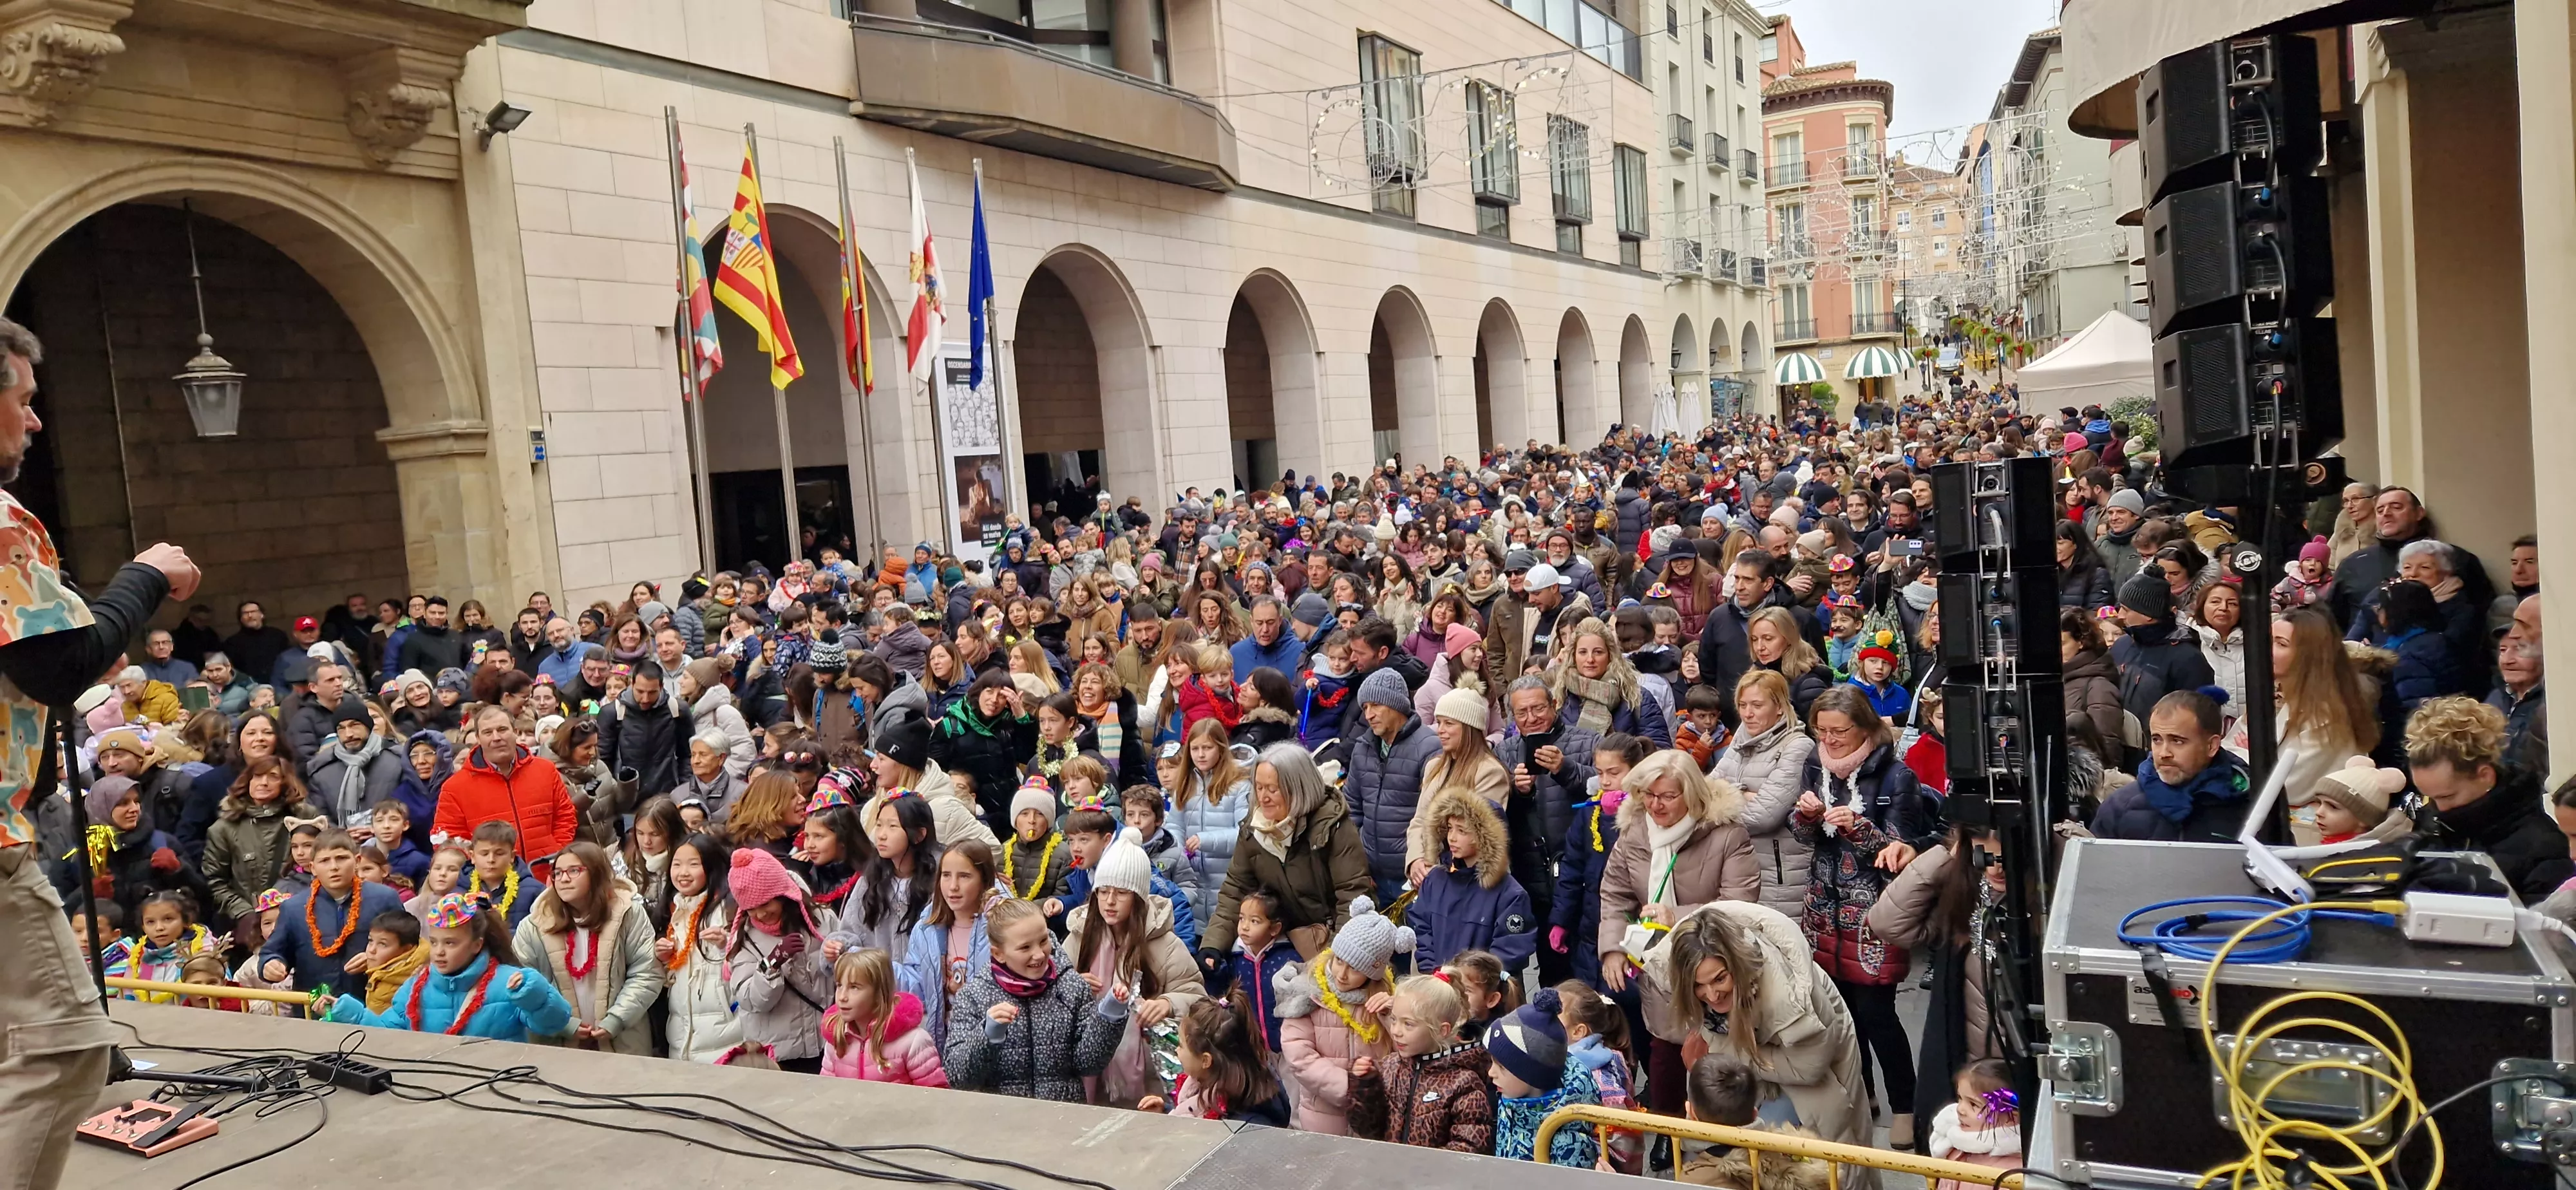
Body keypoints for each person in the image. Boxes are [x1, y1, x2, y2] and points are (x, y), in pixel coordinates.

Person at [1789, 686, 1935, 1148]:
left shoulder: (1897, 775)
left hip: (1873, 912)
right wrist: (1807, 817)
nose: (1829, 740)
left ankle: (1905, 1106)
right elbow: (1803, 837)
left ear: (1866, 728)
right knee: (1842, 1015)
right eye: (1822, 731)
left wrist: (1859, 827)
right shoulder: (1814, 764)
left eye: (1839, 731)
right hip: (1823, 906)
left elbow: (1898, 851)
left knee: (1878, 1015)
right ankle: (1863, 1093)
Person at [1596, 749, 1759, 1111]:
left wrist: (1677, 917)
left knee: (1721, 1063)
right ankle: (1667, 1130)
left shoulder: (1726, 834)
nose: (1656, 805)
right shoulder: (1635, 831)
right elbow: (1615, 893)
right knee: (1666, 1057)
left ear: (1692, 794)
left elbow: (1741, 903)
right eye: (1649, 795)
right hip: (1661, 967)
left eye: (1668, 796)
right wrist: (1613, 946)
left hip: (1716, 967)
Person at [1644, 901, 1871, 1147]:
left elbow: (1810, 1067)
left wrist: (1728, 1054)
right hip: (1763, 1066)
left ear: (1738, 966)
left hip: (1815, 1068)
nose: (1711, 995)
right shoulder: (1684, 975)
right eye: (1698, 985)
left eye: (1720, 979)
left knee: (1834, 1144)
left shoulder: (1790, 998)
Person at [1196, 744, 1373, 968]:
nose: (1263, 797)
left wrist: (1337, 960)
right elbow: (1235, 890)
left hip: (1332, 940)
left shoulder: (1332, 826)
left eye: (1273, 789)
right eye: (1259, 787)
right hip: (1284, 941)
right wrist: (1213, 945)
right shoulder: (1254, 830)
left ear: (1299, 788)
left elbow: (1352, 896)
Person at [940, 897, 1128, 1100]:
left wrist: (1109, 1017)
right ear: (999, 954)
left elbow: (1089, 1064)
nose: (1039, 955)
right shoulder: (974, 996)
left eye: (1043, 941)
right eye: (1025, 948)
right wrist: (988, 1036)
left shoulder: (1071, 986)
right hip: (1001, 1117)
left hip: (1061, 1114)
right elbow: (958, 1078)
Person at [325, 890, 575, 1039]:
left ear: (477, 945)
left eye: (451, 943)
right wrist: (351, 1013)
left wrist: (533, 992)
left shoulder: (510, 983)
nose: (439, 952)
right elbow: (388, 1036)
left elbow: (554, 1024)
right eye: (434, 942)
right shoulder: (415, 987)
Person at [2405, 697, 2571, 901]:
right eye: (2429, 798)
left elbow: (2544, 920)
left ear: (2485, 775)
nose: (2439, 808)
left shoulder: (2544, 847)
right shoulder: (2433, 825)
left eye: (2448, 796)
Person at [512, 840, 662, 1055]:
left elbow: (646, 973)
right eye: (557, 873)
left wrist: (617, 1019)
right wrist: (562, 1023)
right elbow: (523, 987)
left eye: (574, 871)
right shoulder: (533, 925)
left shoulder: (629, 914)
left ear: (597, 873)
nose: (564, 879)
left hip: (622, 1041)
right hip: (557, 1046)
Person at [1272, 896, 1407, 1133]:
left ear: (1373, 973)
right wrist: (1351, 1088)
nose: (1342, 974)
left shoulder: (1384, 1001)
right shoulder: (1309, 991)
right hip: (1323, 1115)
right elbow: (1300, 1056)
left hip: (1372, 1117)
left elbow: (1402, 1053)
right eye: (1339, 961)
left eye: (1355, 968)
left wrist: (1392, 1016)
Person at [1346, 973, 1494, 1153]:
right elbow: (1368, 1130)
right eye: (1394, 1020)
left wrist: (1421, 1165)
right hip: (1390, 1167)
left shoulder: (1464, 1082)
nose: (1396, 1031)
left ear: (1442, 1030)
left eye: (1408, 1024)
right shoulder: (1390, 1067)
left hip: (1432, 1171)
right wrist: (1365, 1086)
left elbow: (1470, 1146)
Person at [434, 705, 582, 878]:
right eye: (488, 732)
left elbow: (565, 816)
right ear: (478, 738)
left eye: (502, 729)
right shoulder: (455, 787)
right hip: (492, 884)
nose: (496, 738)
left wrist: (556, 852)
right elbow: (450, 840)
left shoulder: (546, 770)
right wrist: (483, 871)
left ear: (515, 732)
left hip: (548, 876)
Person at [723, 844, 834, 1073]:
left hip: (826, 1044)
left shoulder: (822, 920)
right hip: (778, 1054)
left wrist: (839, 954)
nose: (760, 914)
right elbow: (750, 1000)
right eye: (751, 908)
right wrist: (771, 963)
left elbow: (845, 974)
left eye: (766, 904)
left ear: (784, 895)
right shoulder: (744, 938)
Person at [2091, 689, 2253, 843]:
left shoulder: (2251, 805)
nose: (2164, 753)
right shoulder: (2119, 807)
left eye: (2177, 741)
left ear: (2211, 746)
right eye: (2157, 740)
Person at [258, 829, 407, 996]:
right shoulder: (293, 908)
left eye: (341, 858)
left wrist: (376, 957)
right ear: (313, 868)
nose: (334, 867)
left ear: (357, 861)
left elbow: (410, 947)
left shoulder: (384, 898)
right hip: (315, 1005)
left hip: (373, 1002)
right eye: (324, 861)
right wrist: (270, 964)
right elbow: (273, 951)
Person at [1405, 788, 1535, 974]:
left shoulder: (1510, 895)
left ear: (1485, 837)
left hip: (1484, 990)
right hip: (1439, 986)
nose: (1452, 837)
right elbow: (1422, 929)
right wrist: (1434, 973)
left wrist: (1468, 981)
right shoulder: (1435, 881)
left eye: (1462, 831)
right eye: (1450, 828)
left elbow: (1509, 953)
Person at [1343, 668, 1441, 903]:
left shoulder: (1429, 748)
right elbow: (1352, 810)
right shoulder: (1363, 747)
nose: (1369, 715)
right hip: (1371, 876)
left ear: (1396, 705)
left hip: (1413, 877)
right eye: (1365, 707)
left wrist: (1421, 862)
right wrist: (1359, 866)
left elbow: (1434, 816)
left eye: (1376, 705)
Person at [1485, 987, 1604, 1166]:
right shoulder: (1513, 1100)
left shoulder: (1567, 1145)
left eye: (1501, 1067)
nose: (1490, 1073)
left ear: (1532, 1075)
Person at [658, 833, 742, 1062]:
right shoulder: (675, 911)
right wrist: (663, 959)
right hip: (682, 1032)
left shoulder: (727, 908)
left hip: (724, 1030)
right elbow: (674, 973)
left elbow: (745, 963)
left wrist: (725, 944)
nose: (683, 872)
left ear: (711, 866)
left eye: (694, 864)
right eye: (677, 864)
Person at [819, 948, 950, 1086]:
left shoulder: (914, 1042)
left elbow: (933, 1094)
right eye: (840, 986)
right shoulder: (836, 1039)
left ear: (879, 993)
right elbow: (826, 1091)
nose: (842, 997)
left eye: (854, 987)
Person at [2109, 571, 2215, 728]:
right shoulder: (2121, 645)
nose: (2120, 615)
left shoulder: (2188, 658)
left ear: (2148, 614)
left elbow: (2200, 717)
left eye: (2126, 609)